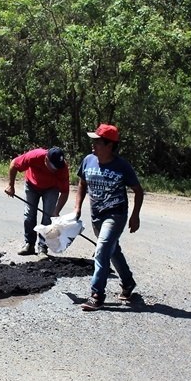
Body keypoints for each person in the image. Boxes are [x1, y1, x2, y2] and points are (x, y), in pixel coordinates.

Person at [74, 124, 144, 311]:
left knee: (102, 248)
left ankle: (97, 295)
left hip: (116, 214)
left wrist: (135, 215)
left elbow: (138, 190)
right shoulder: (88, 160)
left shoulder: (122, 166)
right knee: (112, 251)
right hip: (96, 215)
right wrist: (77, 207)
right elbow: (82, 184)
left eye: (97, 142)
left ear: (109, 145)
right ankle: (128, 282)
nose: (93, 145)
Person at [4, 147, 70, 255]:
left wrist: (57, 211)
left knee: (48, 216)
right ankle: (29, 244)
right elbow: (14, 164)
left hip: (51, 188)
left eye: (57, 167)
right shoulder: (35, 156)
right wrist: (11, 186)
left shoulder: (62, 168)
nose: (56, 170)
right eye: (53, 167)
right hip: (32, 186)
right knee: (29, 214)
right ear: (46, 160)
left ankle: (42, 247)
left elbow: (65, 192)